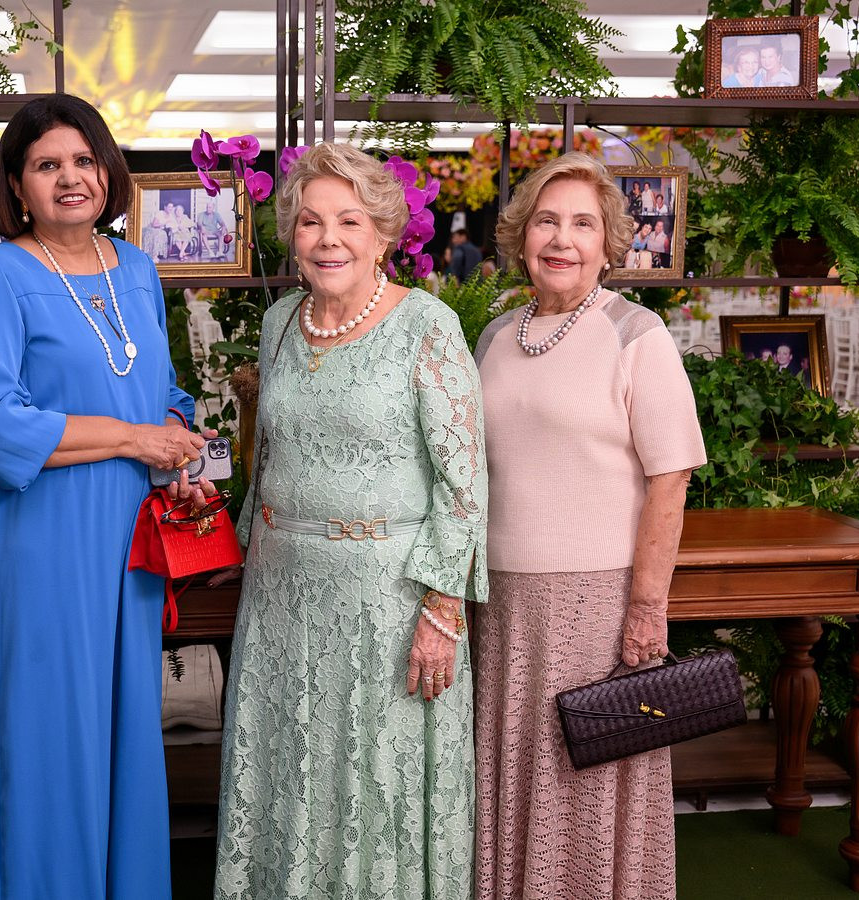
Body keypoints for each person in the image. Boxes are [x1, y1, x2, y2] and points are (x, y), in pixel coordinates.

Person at [214, 142, 488, 899]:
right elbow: (273, 453)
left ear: (383, 234)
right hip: (279, 599)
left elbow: (464, 483)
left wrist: (442, 610)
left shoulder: (426, 325)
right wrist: (240, 540)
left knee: (372, 786)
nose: (327, 238)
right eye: (310, 222)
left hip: (387, 606)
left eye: (349, 221)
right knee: (286, 776)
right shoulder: (279, 322)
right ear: (292, 235)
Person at [0, 93, 210, 900]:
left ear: (108, 170)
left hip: (132, 538)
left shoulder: (136, 268)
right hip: (47, 538)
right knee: (50, 734)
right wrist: (136, 439)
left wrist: (177, 438)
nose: (69, 178)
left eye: (82, 160)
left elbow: (163, 391)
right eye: (46, 165)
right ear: (17, 185)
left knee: (128, 729)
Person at [473, 151, 706, 899]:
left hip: (597, 606)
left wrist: (646, 608)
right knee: (516, 775)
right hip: (501, 604)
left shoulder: (637, 333)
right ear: (522, 236)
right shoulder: (495, 337)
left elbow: (671, 479)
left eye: (582, 224)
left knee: (589, 778)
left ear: (609, 244)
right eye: (546, 221)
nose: (562, 239)